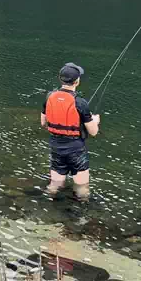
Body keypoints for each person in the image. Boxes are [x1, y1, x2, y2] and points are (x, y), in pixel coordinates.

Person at [41, 62, 100, 201]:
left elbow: (43, 122)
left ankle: (45, 204)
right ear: (77, 81)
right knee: (82, 187)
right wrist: (95, 120)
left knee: (54, 184)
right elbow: (93, 132)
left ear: (60, 79)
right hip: (76, 150)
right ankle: (80, 216)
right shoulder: (80, 103)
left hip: (56, 147)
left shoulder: (49, 97)